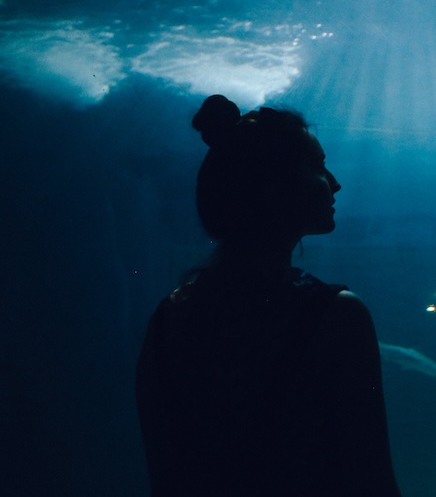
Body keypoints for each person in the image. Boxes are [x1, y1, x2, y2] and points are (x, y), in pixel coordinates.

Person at [136, 94, 401, 496]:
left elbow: (164, 472)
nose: (334, 183)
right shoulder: (337, 317)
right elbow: (370, 478)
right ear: (272, 185)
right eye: (317, 166)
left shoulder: (170, 316)